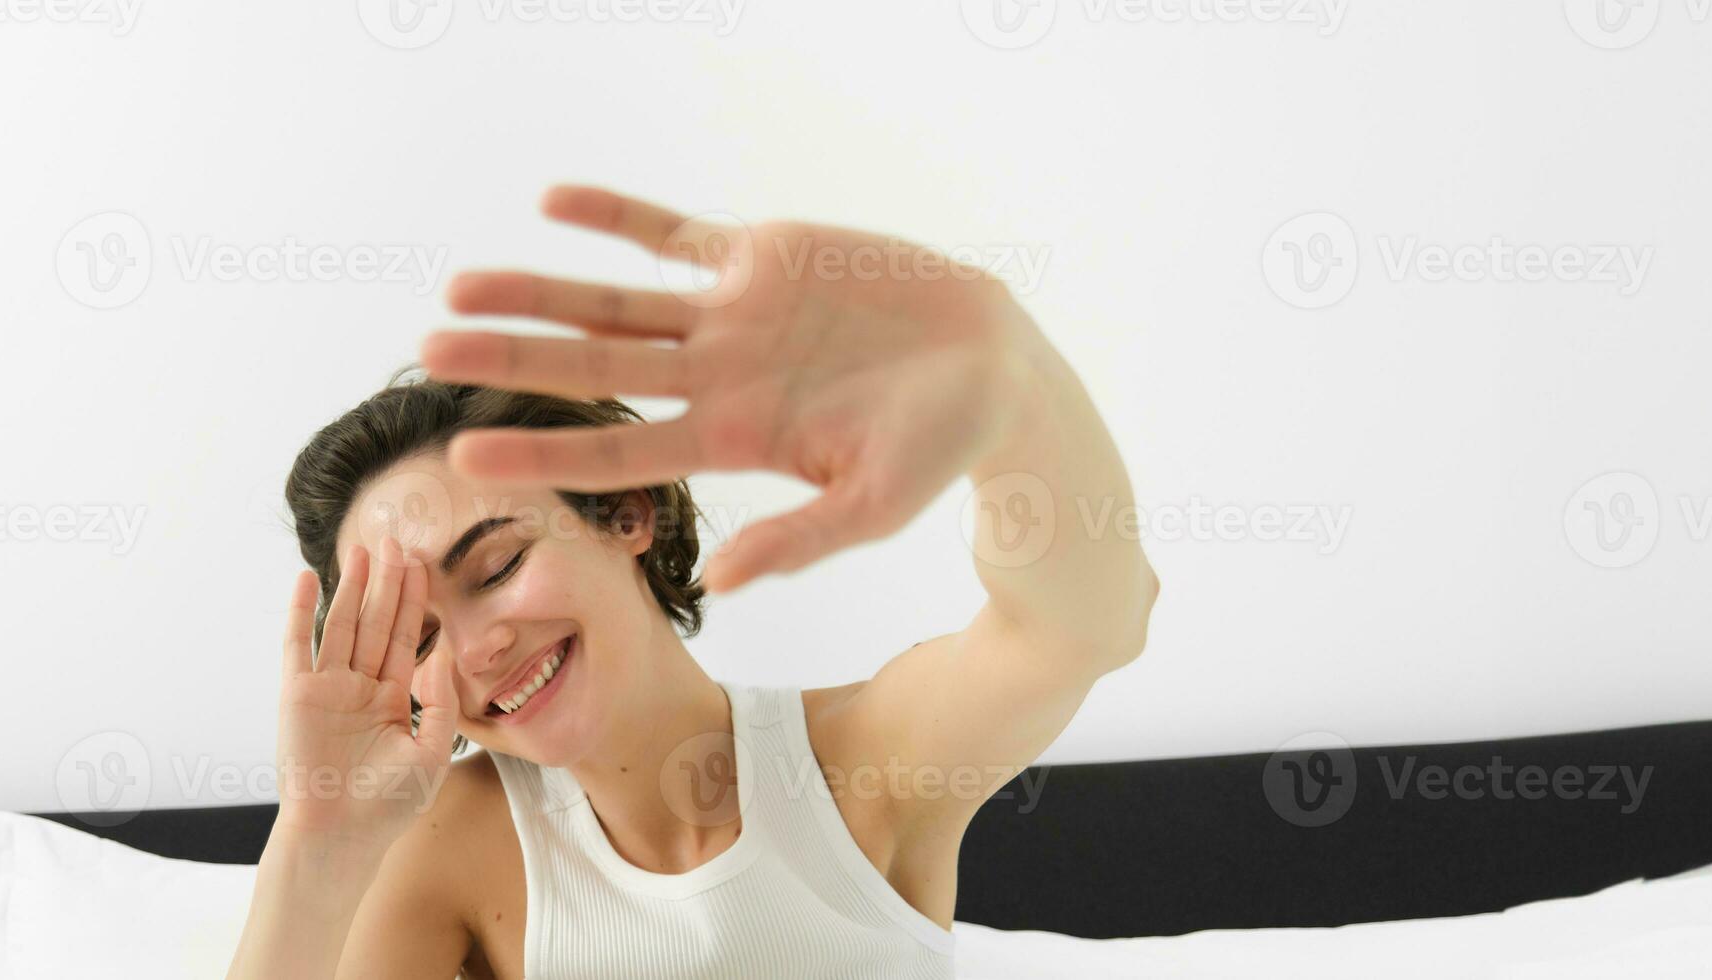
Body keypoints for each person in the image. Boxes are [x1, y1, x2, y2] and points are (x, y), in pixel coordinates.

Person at [228, 186, 1159, 979]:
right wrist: (318, 845)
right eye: (420, 637)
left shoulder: (862, 762)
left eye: (500, 565)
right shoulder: (443, 848)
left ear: (628, 514)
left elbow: (1083, 626)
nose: (476, 651)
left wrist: (1008, 374)